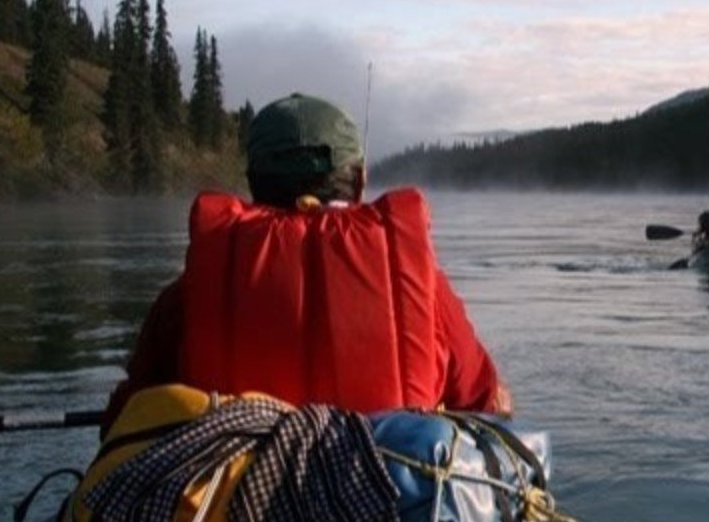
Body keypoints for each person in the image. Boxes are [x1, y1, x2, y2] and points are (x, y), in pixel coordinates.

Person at [103, 93, 510, 431]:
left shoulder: (189, 295)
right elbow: (488, 403)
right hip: (394, 507)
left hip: (234, 515)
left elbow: (124, 419)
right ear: (361, 180)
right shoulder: (420, 290)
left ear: (253, 184)